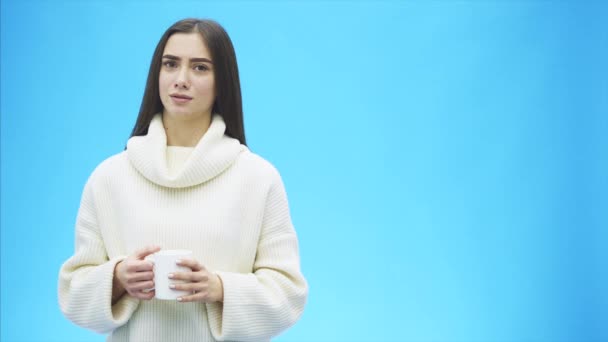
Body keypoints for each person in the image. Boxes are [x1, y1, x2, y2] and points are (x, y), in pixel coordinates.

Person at [58, 18, 308, 341]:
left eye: (200, 68)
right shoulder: (109, 179)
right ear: (156, 74)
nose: (181, 80)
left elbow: (288, 293)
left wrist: (220, 288)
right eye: (170, 64)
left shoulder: (259, 180)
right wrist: (117, 279)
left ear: (223, 82)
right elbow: (72, 293)